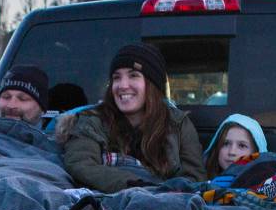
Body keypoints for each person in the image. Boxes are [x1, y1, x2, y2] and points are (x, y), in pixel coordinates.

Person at [55, 43, 206, 192]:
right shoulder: (91, 121)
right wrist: (136, 186)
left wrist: (165, 195)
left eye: (133, 75)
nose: (123, 85)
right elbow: (80, 164)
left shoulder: (178, 124)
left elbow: (194, 179)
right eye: (117, 77)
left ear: (152, 84)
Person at [203, 114, 268, 179]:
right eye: (226, 144)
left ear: (257, 152)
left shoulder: (267, 187)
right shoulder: (200, 185)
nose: (232, 152)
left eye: (242, 146)